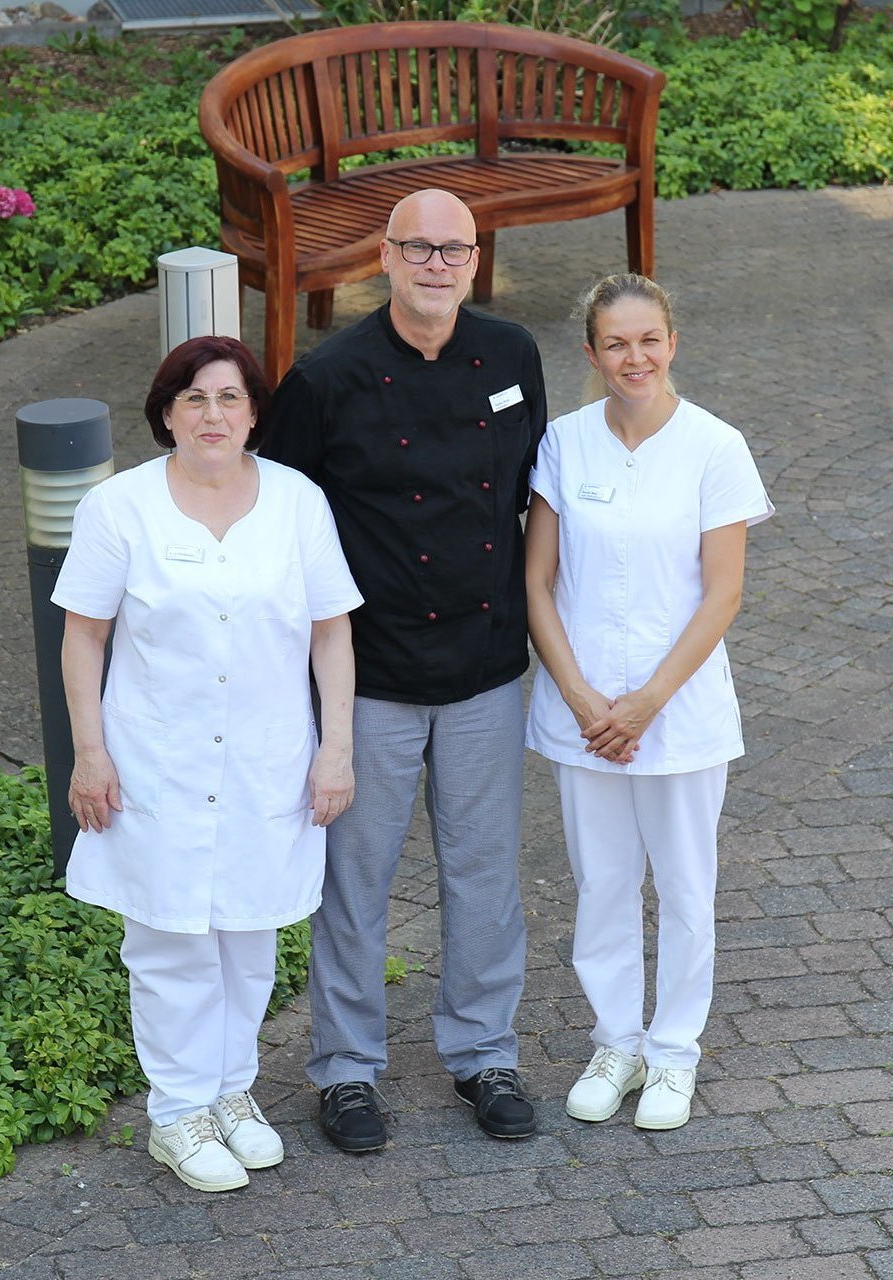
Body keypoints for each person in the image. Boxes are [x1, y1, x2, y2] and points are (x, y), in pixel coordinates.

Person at [261, 188, 548, 1150]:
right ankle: (346, 1072)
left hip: (484, 664)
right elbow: (285, 523)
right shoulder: (326, 378)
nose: (436, 264)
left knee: (484, 872)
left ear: (476, 262)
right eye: (417, 248)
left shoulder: (512, 357)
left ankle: (485, 1055)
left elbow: (523, 499)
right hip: (369, 676)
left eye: (454, 250)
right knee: (357, 878)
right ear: (382, 259)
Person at [55, 335, 362, 1193]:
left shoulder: (298, 502)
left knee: (248, 939)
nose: (213, 414)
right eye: (193, 399)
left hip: (270, 763)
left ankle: (231, 1093)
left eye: (229, 398)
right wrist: (90, 753)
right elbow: (84, 635)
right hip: (155, 764)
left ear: (255, 412)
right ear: (165, 414)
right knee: (169, 946)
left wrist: (335, 746)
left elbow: (332, 632)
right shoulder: (120, 509)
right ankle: (176, 1113)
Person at [523, 273, 772, 1131]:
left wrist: (645, 704)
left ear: (673, 343)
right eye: (616, 343)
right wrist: (586, 697)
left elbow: (722, 595)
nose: (635, 357)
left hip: (680, 713)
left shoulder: (715, 447)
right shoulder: (563, 443)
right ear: (592, 354)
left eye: (649, 340)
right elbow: (536, 581)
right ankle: (616, 1042)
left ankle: (673, 1054)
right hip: (583, 712)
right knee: (600, 883)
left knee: (685, 884)